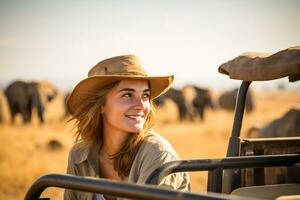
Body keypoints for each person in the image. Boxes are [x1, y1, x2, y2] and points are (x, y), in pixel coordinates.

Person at [64, 55, 190, 200]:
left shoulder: (157, 153)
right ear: (100, 105)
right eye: (128, 95)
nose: (141, 106)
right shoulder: (79, 155)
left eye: (145, 95)